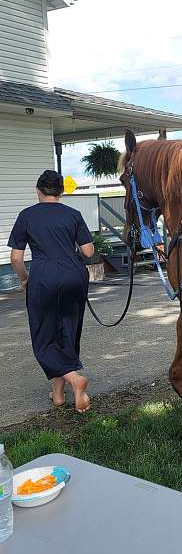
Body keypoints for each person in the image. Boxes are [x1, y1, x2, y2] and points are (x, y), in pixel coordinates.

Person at [8, 170, 94, 413]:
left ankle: (74, 379)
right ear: (61, 192)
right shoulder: (73, 215)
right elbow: (88, 252)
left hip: (43, 277)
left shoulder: (27, 216)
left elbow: (16, 257)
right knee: (67, 331)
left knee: (44, 338)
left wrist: (24, 279)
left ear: (38, 191)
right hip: (74, 277)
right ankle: (58, 394)